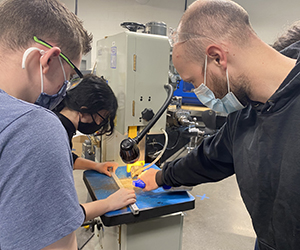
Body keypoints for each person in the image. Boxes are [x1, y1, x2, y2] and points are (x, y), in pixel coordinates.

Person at [138, 0, 300, 249]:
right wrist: (161, 176)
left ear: (216, 58)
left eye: (193, 81)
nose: (195, 90)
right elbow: (210, 158)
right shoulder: (245, 112)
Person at [0, 0, 136, 249]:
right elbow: (57, 239)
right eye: (70, 77)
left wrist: (95, 165)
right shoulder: (37, 127)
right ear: (49, 59)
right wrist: (110, 203)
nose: (66, 89)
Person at [53, 74, 119, 175]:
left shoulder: (57, 122)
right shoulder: (57, 134)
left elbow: (67, 159)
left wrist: (96, 166)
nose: (99, 123)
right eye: (102, 117)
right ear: (83, 112)